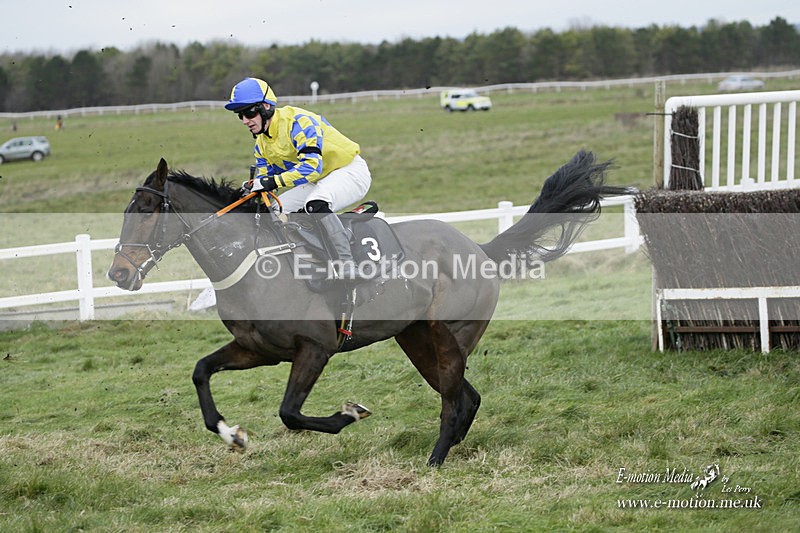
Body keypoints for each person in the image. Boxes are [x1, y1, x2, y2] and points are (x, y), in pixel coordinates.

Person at [226, 77, 372, 282]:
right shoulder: (261, 144)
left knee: (316, 203)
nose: (245, 120)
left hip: (349, 171)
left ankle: (347, 264)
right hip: (319, 180)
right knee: (274, 210)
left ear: (266, 106)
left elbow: (312, 168)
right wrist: (252, 189)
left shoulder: (299, 121)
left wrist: (270, 182)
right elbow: (266, 182)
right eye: (240, 115)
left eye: (249, 112)